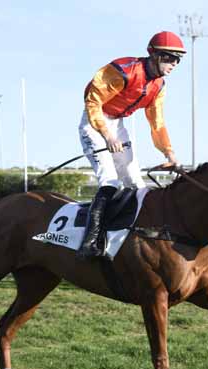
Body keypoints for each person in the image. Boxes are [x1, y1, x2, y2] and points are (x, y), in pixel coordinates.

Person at [77, 31, 185, 259]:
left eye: (178, 59)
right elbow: (93, 101)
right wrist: (106, 134)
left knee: (137, 185)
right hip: (94, 122)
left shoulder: (159, 86)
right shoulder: (124, 70)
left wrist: (169, 153)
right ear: (154, 55)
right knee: (110, 181)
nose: (174, 63)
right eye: (170, 57)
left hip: (117, 125)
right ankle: (90, 241)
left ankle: (132, 240)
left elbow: (157, 123)